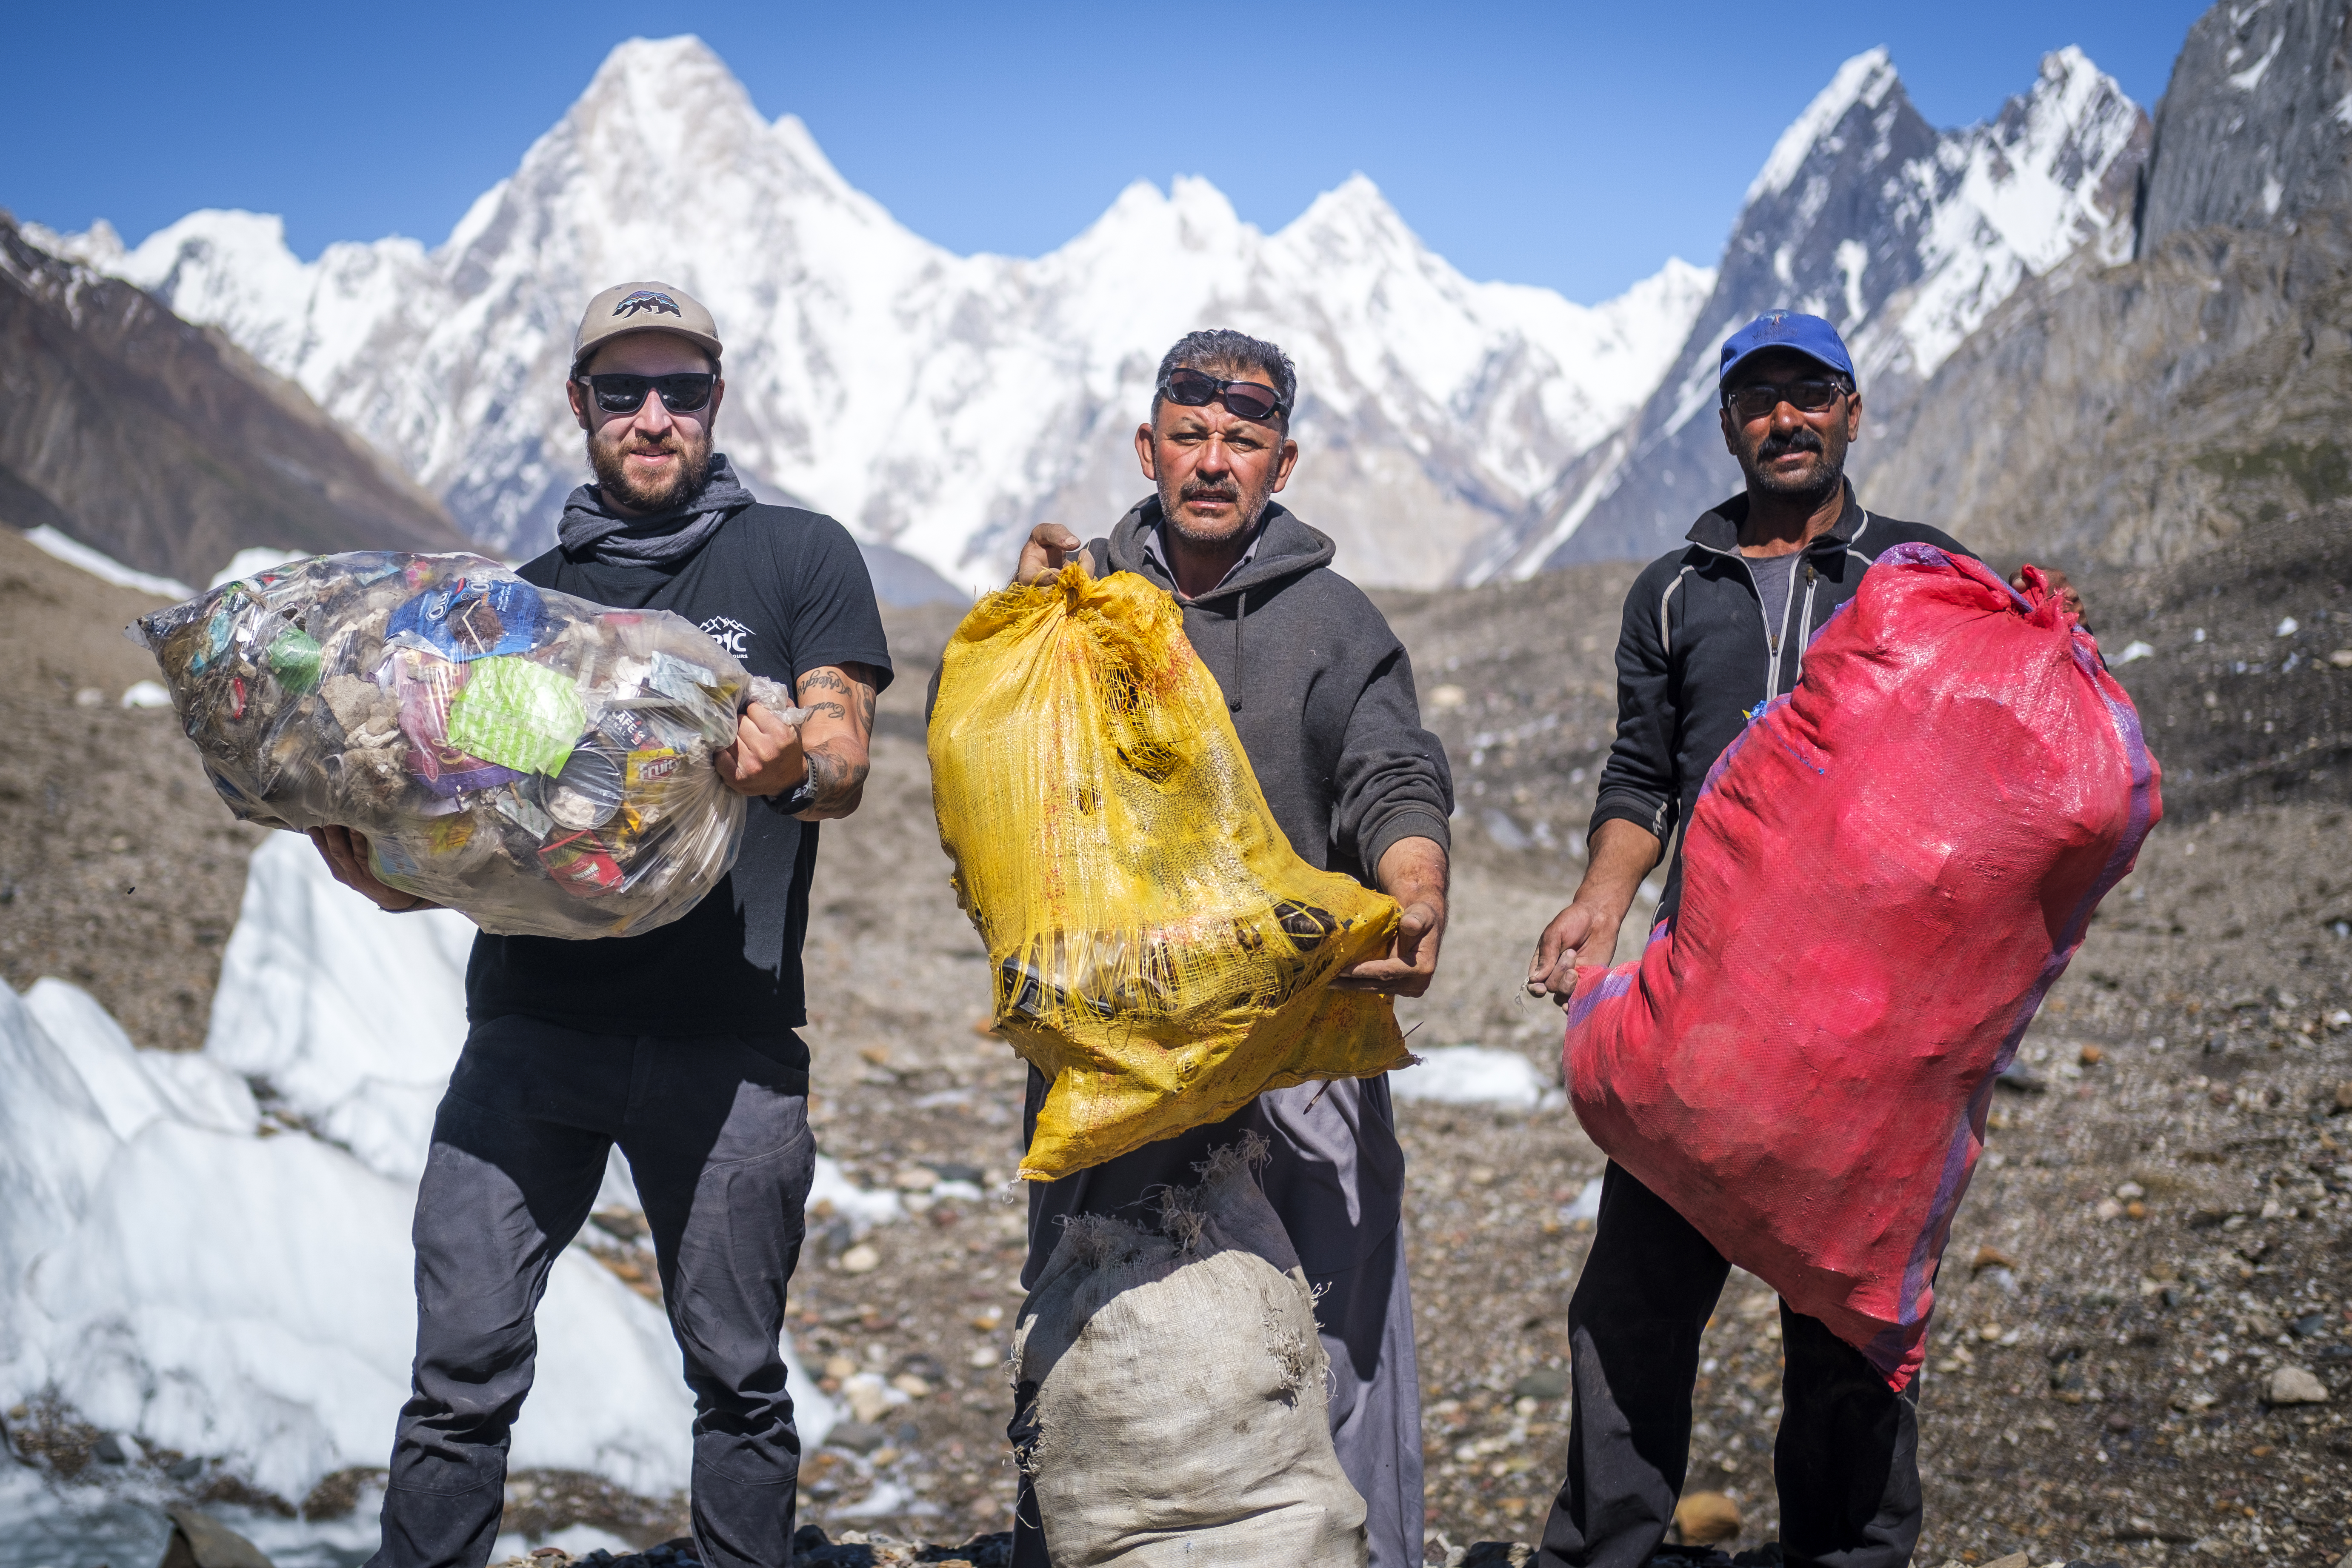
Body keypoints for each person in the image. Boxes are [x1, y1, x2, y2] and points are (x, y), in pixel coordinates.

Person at [309, 280, 892, 1568]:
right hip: (530, 1030)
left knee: (738, 1379)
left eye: (680, 391)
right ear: (580, 406)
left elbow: (845, 751)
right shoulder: (524, 603)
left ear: (715, 403)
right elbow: (481, 825)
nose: (651, 416)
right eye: (621, 390)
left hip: (728, 1040)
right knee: (458, 1374)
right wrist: (394, 874)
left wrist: (793, 758)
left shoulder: (797, 557)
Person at [1523, 310, 2081, 1568]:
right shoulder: (1671, 590)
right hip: (1703, 1004)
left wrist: (2047, 632)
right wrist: (1597, 906)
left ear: (1852, 411)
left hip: (1871, 1023)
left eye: (1810, 395)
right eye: (1760, 400)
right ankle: (1605, 1549)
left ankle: (1847, 1555)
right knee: (1634, 1305)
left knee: (1849, 1321)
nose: (1786, 420)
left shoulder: (1921, 572)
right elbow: (1638, 778)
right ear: (1728, 425)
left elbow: (2006, 742)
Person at [1000, 329, 1455, 1568]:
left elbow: (1391, 766)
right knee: (1096, 1319)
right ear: (1147, 448)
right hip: (1115, 1049)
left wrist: (1414, 874)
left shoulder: (1334, 622)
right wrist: (1023, 601)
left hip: (1300, 1041)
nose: (1213, 461)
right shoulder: (1081, 603)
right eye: (1188, 435)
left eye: (1243, 440)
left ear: (1284, 461)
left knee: (1340, 1331)